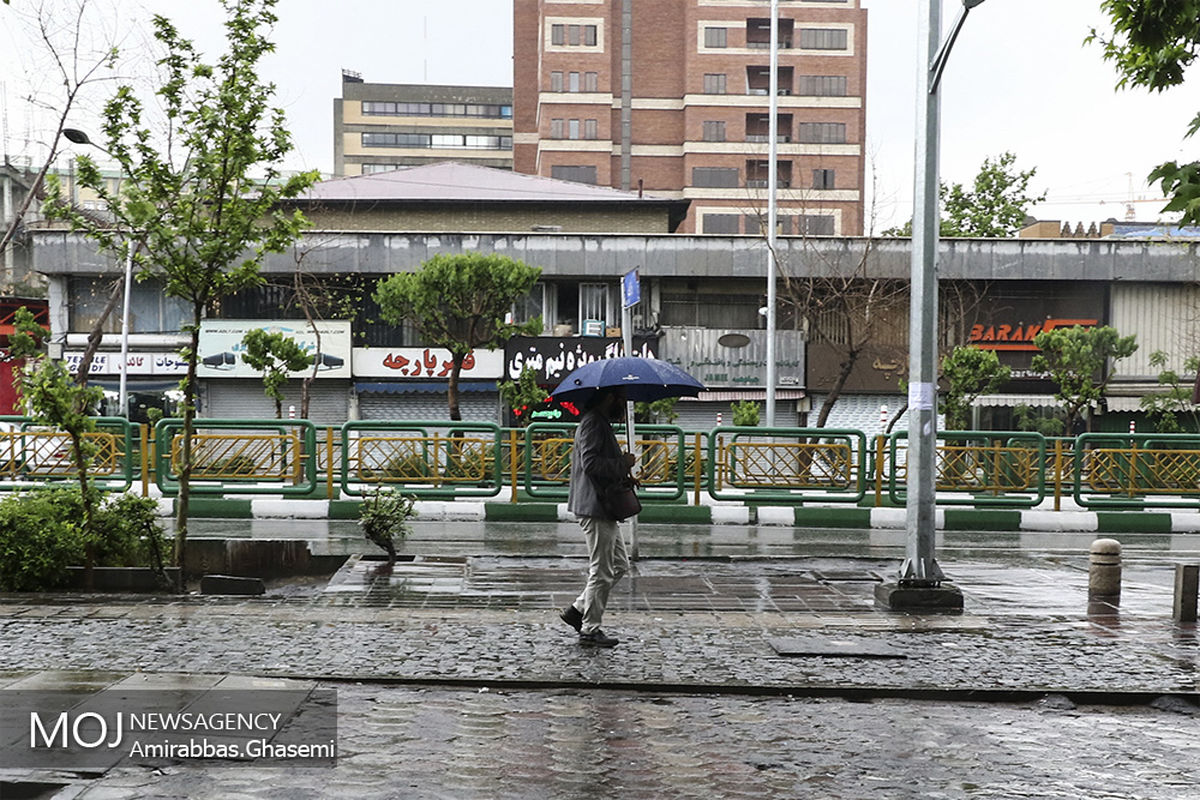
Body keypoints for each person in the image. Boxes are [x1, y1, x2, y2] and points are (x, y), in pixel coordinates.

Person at [560, 386, 635, 647]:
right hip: (594, 506)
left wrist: (624, 474)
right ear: (610, 397)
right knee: (601, 570)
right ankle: (590, 630)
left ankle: (578, 610)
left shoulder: (600, 422)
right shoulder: (593, 423)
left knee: (619, 565)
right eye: (622, 399)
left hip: (604, 507)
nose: (623, 405)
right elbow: (591, 464)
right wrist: (622, 464)